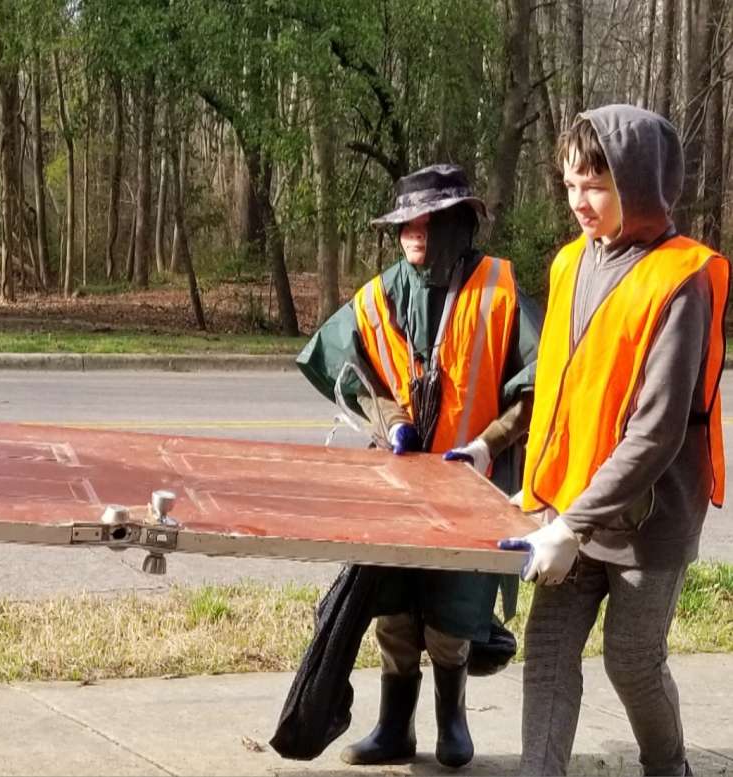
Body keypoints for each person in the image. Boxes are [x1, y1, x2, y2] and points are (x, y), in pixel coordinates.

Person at [500, 105, 728, 776]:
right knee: (545, 653)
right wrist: (515, 463)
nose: (578, 200)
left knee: (631, 659)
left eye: (594, 184)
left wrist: (573, 521)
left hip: (646, 519)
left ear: (640, 180)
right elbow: (560, 386)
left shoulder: (682, 276)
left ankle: (669, 766)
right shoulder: (570, 264)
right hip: (571, 510)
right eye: (570, 183)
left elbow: (656, 429)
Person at [297, 163, 541, 769]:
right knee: (395, 604)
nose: (412, 234)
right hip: (397, 482)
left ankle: (452, 724)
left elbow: (540, 386)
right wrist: (389, 421)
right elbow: (344, 368)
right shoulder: (381, 294)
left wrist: (488, 443)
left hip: (470, 482)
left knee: (454, 608)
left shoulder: (501, 290)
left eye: (426, 222)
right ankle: (393, 729)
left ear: (459, 225)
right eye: (405, 223)